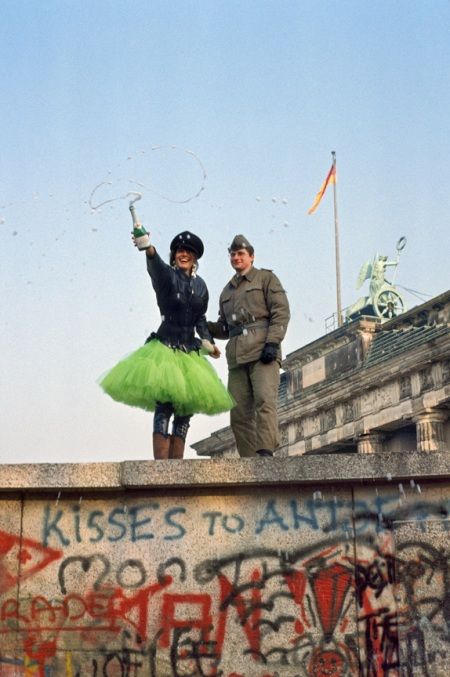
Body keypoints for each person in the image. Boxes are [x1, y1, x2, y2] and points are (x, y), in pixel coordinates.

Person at [99, 230, 234, 460]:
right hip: (164, 347)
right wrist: (148, 248)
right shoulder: (167, 277)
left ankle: (176, 466)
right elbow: (156, 266)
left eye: (188, 252)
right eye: (180, 251)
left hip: (189, 351)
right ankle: (160, 466)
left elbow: (200, 319)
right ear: (174, 256)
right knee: (165, 406)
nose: (184, 254)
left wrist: (209, 344)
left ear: (195, 258)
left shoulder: (201, 286)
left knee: (186, 411)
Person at [208, 234, 290, 458]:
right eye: (233, 254)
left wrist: (273, 342)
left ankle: (265, 452)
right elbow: (225, 328)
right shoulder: (227, 291)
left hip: (263, 350)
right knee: (238, 413)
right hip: (236, 358)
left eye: (240, 253)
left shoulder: (266, 279)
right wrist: (205, 327)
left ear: (251, 256)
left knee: (264, 401)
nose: (236, 257)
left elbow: (281, 312)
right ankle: (249, 458)